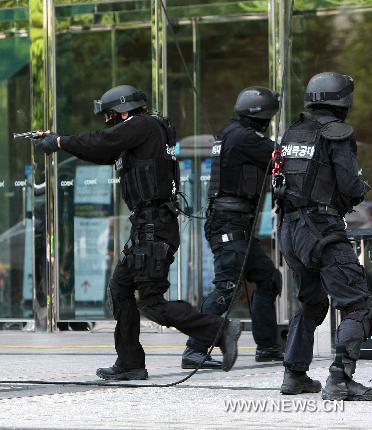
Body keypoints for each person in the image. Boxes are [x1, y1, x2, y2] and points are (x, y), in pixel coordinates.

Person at [34, 84, 241, 380]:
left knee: (152, 302)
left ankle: (219, 330)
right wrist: (58, 141)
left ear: (124, 110)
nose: (107, 121)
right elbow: (104, 150)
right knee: (120, 289)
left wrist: (60, 142)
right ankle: (130, 362)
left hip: (154, 227)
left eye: (109, 115)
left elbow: (102, 142)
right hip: (147, 226)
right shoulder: (143, 131)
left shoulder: (141, 125)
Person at [275, 72, 372, 400]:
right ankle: (340, 379)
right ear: (342, 101)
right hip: (323, 232)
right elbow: (348, 186)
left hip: (290, 232)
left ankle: (295, 375)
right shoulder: (338, 133)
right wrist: (360, 189)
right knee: (358, 304)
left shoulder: (292, 132)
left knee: (311, 300)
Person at [182, 87, 283, 369]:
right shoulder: (242, 137)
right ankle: (195, 349)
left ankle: (267, 347)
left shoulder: (233, 133)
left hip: (235, 223)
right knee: (226, 287)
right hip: (229, 223)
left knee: (268, 279)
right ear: (262, 116)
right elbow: (280, 156)